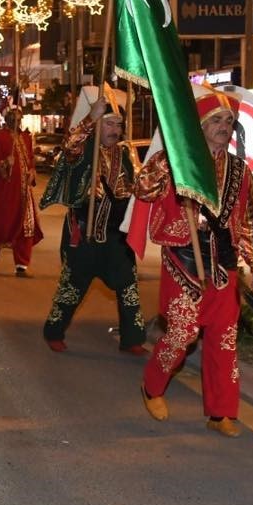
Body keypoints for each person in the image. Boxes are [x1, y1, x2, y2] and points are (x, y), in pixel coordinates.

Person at [135, 86, 253, 437]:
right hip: (184, 262)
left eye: (228, 120)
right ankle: (152, 385)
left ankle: (221, 411)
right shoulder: (178, 163)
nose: (224, 125)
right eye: (216, 120)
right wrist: (167, 159)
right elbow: (142, 189)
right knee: (181, 334)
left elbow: (252, 219)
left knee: (224, 340)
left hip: (224, 265)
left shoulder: (239, 171)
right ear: (200, 126)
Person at [41, 102, 145, 353]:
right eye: (109, 123)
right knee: (72, 287)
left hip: (116, 233)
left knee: (128, 286)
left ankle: (132, 339)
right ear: (98, 125)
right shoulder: (83, 150)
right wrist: (90, 118)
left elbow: (133, 185)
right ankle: (54, 331)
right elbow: (68, 146)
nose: (115, 130)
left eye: (118, 125)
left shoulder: (124, 154)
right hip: (85, 231)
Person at [0, 112, 43, 277]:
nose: (16, 121)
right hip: (5, 191)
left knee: (26, 227)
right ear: (7, 120)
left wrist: (32, 170)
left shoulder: (27, 138)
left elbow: (29, 158)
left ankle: (22, 265)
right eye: (13, 118)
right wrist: (4, 164)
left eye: (18, 118)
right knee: (1, 225)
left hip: (24, 192)